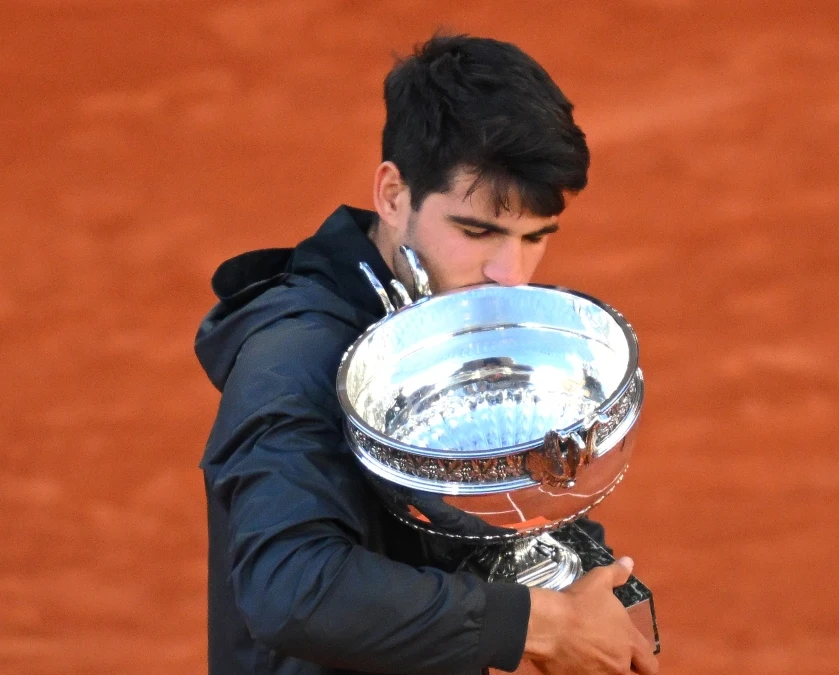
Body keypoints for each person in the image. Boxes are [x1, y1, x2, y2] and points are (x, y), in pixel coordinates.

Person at [195, 34, 659, 675]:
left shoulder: (452, 320)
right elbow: (289, 586)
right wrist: (535, 624)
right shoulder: (294, 355)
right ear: (392, 195)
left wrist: (582, 582)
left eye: (535, 238)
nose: (510, 274)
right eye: (478, 231)